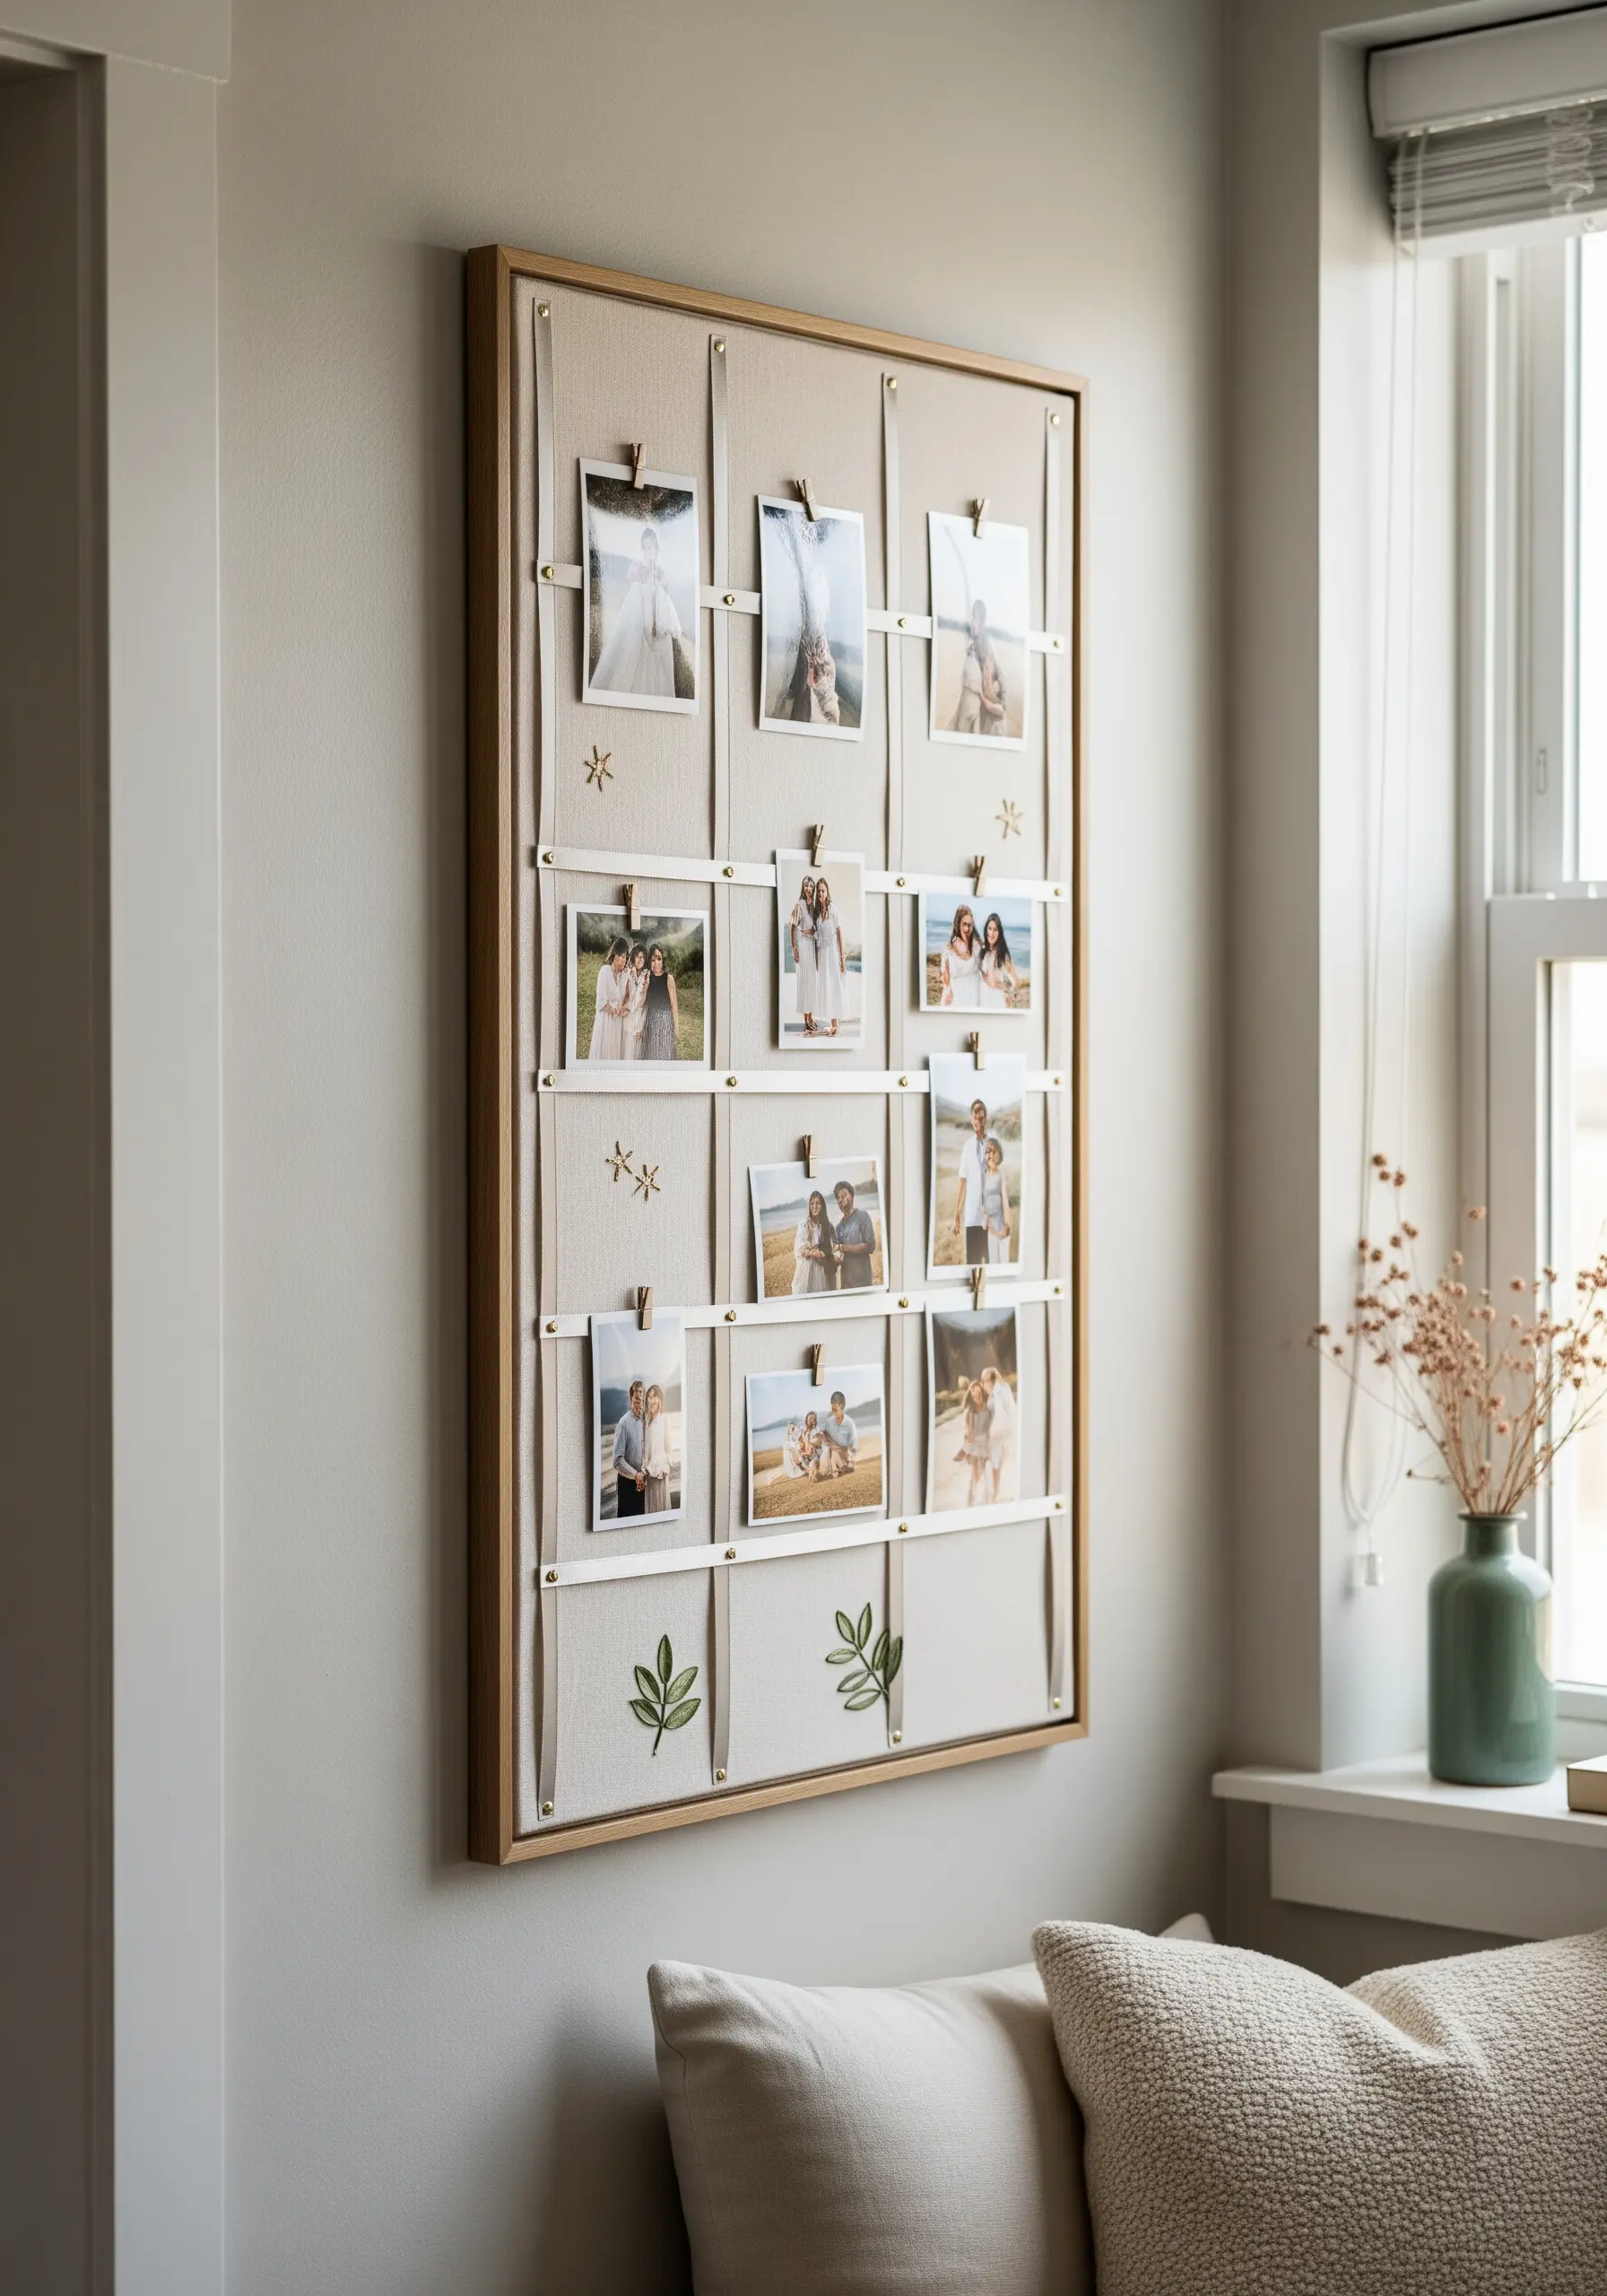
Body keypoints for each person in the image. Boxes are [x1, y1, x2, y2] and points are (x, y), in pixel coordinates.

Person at [590, 520, 683, 698]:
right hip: (640, 609)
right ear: (642, 550)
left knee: (657, 651)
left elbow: (665, 590)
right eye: (646, 549)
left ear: (657, 549)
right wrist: (642, 574)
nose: (650, 553)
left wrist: (660, 581)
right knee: (633, 645)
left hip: (656, 614)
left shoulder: (660, 571)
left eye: (653, 549)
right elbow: (631, 579)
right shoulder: (638, 567)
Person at [952, 597, 1005, 738]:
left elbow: (999, 675)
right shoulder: (970, 641)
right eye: (972, 617)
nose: (972, 622)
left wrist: (996, 687)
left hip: (986, 703)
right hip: (974, 699)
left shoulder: (987, 643)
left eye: (975, 618)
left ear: (982, 621)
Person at [951, 1096, 991, 1265]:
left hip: (990, 1215)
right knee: (973, 1263)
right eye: (975, 1118)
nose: (978, 1123)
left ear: (985, 1119)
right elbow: (962, 1180)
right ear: (970, 1118)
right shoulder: (967, 1147)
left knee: (990, 1261)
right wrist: (956, 1213)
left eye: (981, 1119)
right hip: (973, 1214)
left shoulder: (992, 1144)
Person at [811, 878, 848, 1039]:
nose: (820, 893)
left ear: (827, 892)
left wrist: (842, 957)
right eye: (818, 891)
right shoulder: (818, 914)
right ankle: (833, 1024)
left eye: (823, 890)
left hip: (833, 952)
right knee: (827, 987)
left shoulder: (833, 908)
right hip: (824, 953)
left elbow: (839, 932)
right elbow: (817, 938)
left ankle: (836, 1025)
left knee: (835, 986)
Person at [587, 935, 631, 1060]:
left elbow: (624, 997)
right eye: (622, 956)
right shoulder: (605, 971)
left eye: (626, 957)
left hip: (616, 1024)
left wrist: (623, 1009)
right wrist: (615, 1011)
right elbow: (602, 1003)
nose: (624, 960)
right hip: (606, 1021)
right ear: (615, 955)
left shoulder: (621, 976)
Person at [953, 1378, 994, 1506]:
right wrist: (967, 1441)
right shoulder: (971, 1412)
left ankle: (984, 1497)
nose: (975, 1394)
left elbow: (993, 1426)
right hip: (975, 1444)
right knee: (976, 1472)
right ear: (971, 1396)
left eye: (977, 1391)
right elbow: (969, 1431)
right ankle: (971, 1498)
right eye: (972, 1392)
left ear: (981, 1392)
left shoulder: (989, 1409)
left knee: (984, 1471)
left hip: (986, 1443)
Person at [830, 1180, 877, 1292]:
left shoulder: (863, 1217)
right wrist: (833, 1258)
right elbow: (839, 1255)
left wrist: (843, 1247)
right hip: (846, 1282)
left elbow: (870, 1247)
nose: (840, 1200)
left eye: (843, 1195)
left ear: (852, 1196)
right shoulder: (839, 1227)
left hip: (863, 1281)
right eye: (838, 1198)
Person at [611, 1378, 647, 1518]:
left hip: (643, 1482)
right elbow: (617, 1461)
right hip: (628, 1483)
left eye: (641, 1396)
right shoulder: (623, 1423)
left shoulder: (646, 1421)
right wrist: (635, 1475)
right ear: (631, 1399)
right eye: (635, 1398)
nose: (638, 1401)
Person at [981, 1365, 1017, 1502]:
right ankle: (991, 1491)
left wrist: (1007, 1429)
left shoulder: (1000, 1390)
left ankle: (994, 1493)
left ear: (990, 1381)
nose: (982, 1384)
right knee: (990, 1462)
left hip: (999, 1433)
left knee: (995, 1462)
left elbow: (1010, 1410)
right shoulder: (990, 1393)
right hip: (991, 1434)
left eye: (984, 1381)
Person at [792, 1188, 835, 1296]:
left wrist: (823, 1253)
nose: (814, 1206)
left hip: (822, 1269)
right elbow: (798, 1248)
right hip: (807, 1269)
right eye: (812, 1203)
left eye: (818, 1203)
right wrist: (811, 1252)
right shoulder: (803, 1225)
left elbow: (833, 1245)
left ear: (822, 1206)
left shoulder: (828, 1226)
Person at [640, 943, 679, 1061]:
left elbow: (674, 1005)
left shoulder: (669, 978)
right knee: (651, 1054)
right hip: (650, 1020)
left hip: (666, 1021)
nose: (656, 963)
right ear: (649, 962)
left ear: (663, 959)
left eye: (659, 959)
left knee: (665, 1053)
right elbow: (642, 1003)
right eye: (653, 960)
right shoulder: (646, 977)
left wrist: (676, 1027)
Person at [789, 874, 818, 1037]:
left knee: (812, 982)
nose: (809, 889)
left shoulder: (814, 906)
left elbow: (816, 928)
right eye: (806, 886)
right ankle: (805, 1018)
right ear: (803, 887)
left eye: (811, 886)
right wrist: (794, 948)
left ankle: (811, 1015)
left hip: (812, 946)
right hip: (803, 946)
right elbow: (793, 926)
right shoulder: (799, 905)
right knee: (804, 981)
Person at [940, 904, 983, 1008]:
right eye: (964, 924)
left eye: (970, 925)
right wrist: (948, 991)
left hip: (974, 997)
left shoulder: (978, 946)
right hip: (956, 998)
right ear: (957, 924)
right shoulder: (949, 948)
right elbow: (945, 975)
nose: (967, 928)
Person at [977, 912, 1021, 1011]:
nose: (991, 933)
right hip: (983, 999)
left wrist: (1009, 995)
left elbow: (1016, 981)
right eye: (989, 929)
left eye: (995, 930)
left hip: (997, 1001)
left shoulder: (1003, 955)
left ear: (999, 933)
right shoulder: (984, 951)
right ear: (986, 929)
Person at [641, 1382, 673, 1516]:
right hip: (649, 1475)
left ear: (660, 1400)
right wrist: (644, 1469)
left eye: (653, 1397)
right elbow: (645, 1450)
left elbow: (669, 1448)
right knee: (650, 1509)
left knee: (661, 1508)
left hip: (661, 1473)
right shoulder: (646, 1422)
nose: (650, 1400)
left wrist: (664, 1467)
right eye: (648, 1397)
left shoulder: (665, 1419)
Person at [981, 1135, 1013, 1265]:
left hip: (1001, 1221)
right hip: (990, 1224)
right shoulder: (982, 1176)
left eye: (993, 1152)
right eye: (987, 1152)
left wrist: (1006, 1224)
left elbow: (1005, 1200)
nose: (990, 1155)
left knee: (1004, 1259)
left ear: (998, 1155)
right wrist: (985, 1219)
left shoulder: (1001, 1175)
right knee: (993, 1260)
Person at [816, 1389, 859, 1479]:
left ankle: (842, 1468)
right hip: (832, 1455)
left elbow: (852, 1447)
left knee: (835, 1451)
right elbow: (823, 1437)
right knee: (828, 1451)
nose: (833, 1409)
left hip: (845, 1456)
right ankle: (827, 1471)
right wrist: (821, 1436)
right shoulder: (828, 1422)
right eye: (832, 1405)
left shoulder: (850, 1423)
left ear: (842, 1406)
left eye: (835, 1405)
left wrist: (838, 1447)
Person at [622, 943, 649, 1057]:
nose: (640, 960)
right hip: (628, 1013)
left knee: (638, 1044)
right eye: (638, 957)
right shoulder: (627, 972)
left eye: (642, 957)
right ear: (634, 957)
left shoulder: (647, 975)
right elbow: (626, 994)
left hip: (640, 1013)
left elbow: (644, 999)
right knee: (628, 1045)